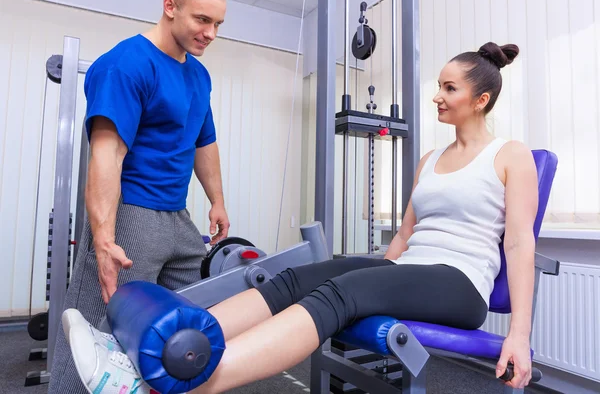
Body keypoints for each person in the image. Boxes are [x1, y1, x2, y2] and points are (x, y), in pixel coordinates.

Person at [63, 41, 539, 393]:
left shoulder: (510, 156)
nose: (438, 95)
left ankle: (175, 381)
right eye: (438, 85)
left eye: (449, 88)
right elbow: (408, 235)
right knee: (298, 276)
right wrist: (377, 270)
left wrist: (519, 333)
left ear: (481, 100)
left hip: (462, 282)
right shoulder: (430, 159)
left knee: (346, 291)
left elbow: (518, 243)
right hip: (412, 268)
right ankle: (162, 348)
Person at [47, 0, 231, 393]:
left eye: (218, 24)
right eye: (203, 20)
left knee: (186, 332)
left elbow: (205, 142)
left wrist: (217, 200)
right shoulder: (127, 63)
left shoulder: (199, 77)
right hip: (132, 215)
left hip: (179, 220)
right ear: (170, 7)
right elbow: (107, 155)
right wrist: (105, 240)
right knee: (97, 334)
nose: (211, 33)